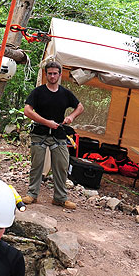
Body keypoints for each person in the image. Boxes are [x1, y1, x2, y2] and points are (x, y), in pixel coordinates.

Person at [22, 61, 84, 210]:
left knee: (62, 165)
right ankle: (32, 194)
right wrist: (46, 122)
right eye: (49, 73)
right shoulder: (38, 92)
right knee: (37, 165)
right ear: (46, 74)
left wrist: (71, 117)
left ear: (60, 75)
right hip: (39, 133)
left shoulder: (65, 93)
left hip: (59, 133)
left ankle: (60, 198)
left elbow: (80, 107)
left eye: (55, 73)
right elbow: (27, 110)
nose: (52, 76)